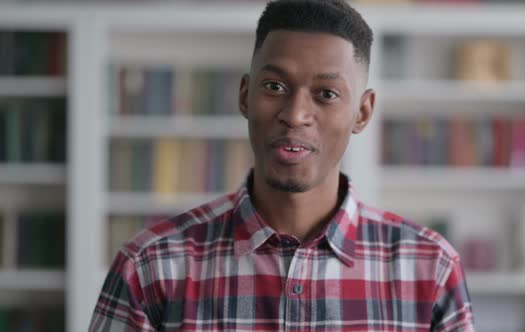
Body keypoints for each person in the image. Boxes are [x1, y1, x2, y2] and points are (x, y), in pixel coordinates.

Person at [89, 0, 475, 331]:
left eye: (326, 94)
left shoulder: (430, 270)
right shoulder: (151, 267)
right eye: (274, 87)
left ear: (362, 112)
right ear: (245, 95)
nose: (295, 115)